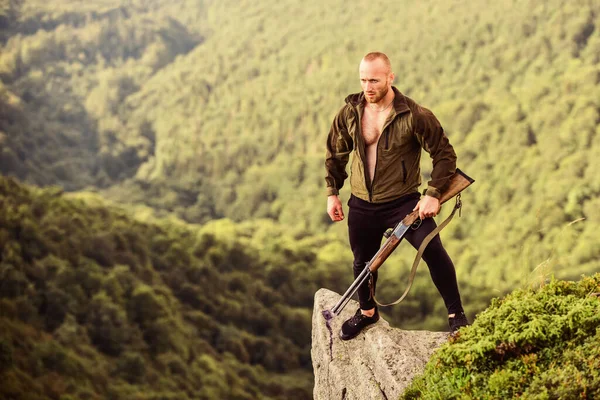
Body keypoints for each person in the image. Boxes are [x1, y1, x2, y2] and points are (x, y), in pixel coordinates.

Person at [324, 52, 468, 340]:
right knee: (362, 262)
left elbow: (444, 155)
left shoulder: (414, 115)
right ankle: (367, 312)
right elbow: (335, 154)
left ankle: (457, 316)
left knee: (433, 252)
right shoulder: (350, 112)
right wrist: (332, 193)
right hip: (362, 203)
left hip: (404, 203)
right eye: (364, 79)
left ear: (391, 77)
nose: (368, 87)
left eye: (375, 80)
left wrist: (433, 194)